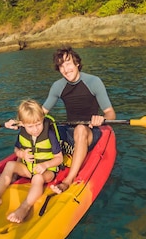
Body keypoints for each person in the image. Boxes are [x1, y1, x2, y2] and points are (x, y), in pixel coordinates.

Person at [38, 46, 116, 194]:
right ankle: (18, 169)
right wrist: (21, 121)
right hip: (69, 130)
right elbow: (41, 113)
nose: (66, 69)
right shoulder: (58, 86)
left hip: (90, 131)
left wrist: (102, 118)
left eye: (68, 63)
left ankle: (68, 180)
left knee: (80, 129)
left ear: (77, 63)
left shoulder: (93, 82)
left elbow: (111, 113)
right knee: (43, 126)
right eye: (61, 66)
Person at [0, 99, 63, 223]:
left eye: (39, 124)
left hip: (47, 171)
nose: (35, 129)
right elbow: (16, 149)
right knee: (10, 165)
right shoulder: (22, 133)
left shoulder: (49, 135)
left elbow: (59, 158)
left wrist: (45, 164)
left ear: (43, 120)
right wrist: (22, 154)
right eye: (31, 126)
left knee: (37, 178)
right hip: (28, 168)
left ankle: (24, 207)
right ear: (22, 124)